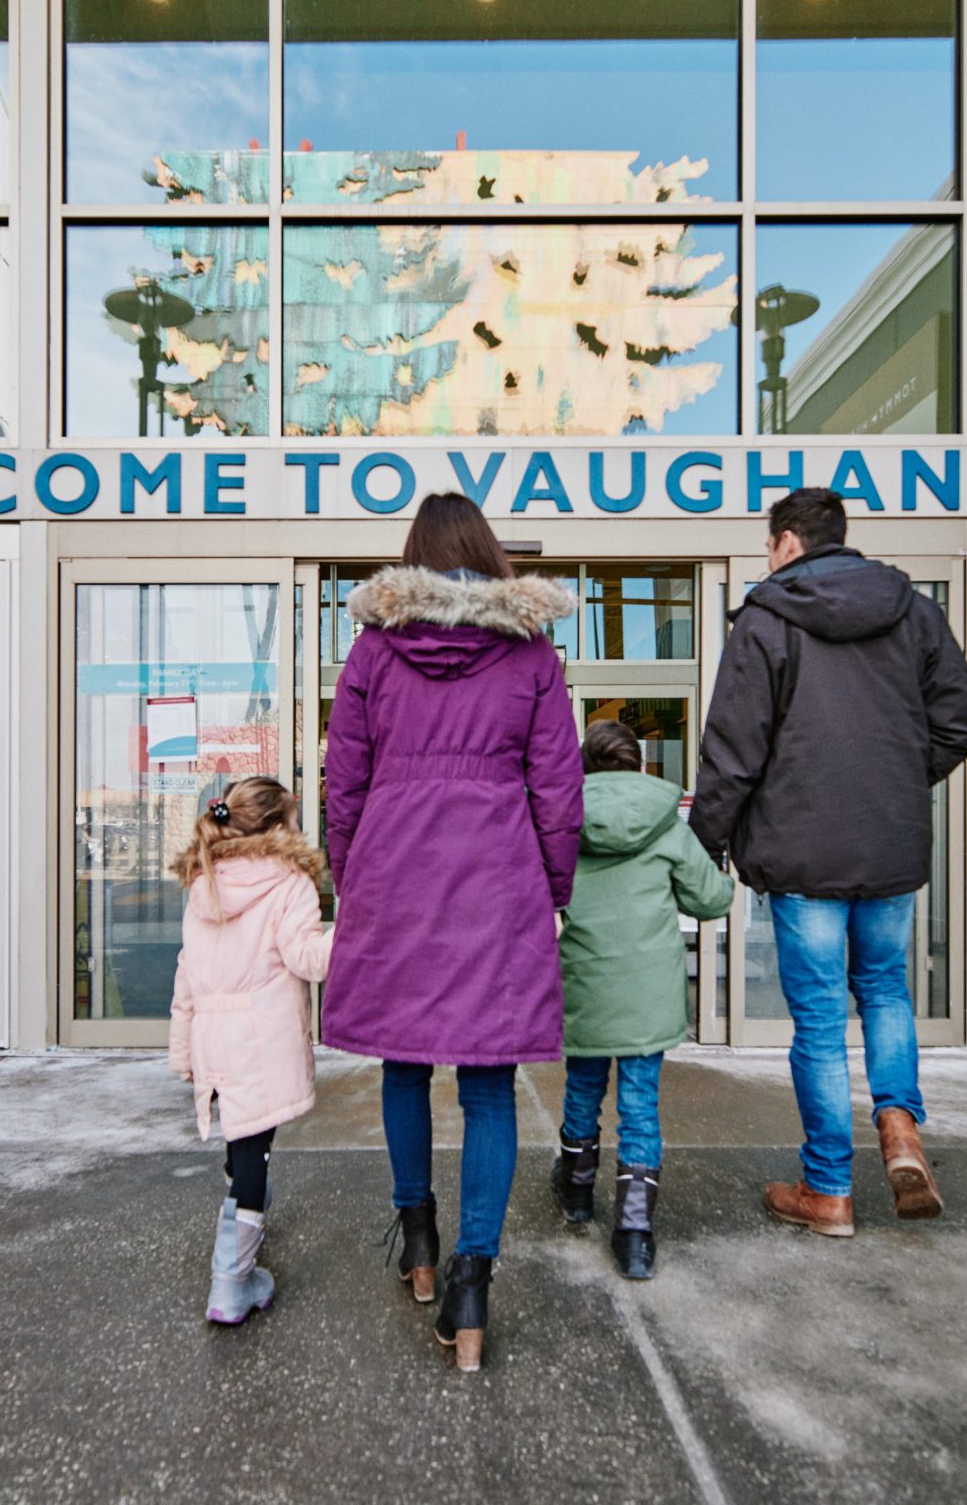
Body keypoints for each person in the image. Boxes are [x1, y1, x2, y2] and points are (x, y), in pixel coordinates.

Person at [322, 492, 582, 1372]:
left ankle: (420, 1245)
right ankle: (473, 1284)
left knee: (402, 1060)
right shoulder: (531, 653)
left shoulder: (371, 649)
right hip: (497, 880)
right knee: (487, 1083)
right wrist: (551, 886)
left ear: (413, 558)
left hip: (394, 875)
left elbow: (343, 780)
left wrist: (352, 878)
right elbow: (557, 785)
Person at [691, 488, 967, 1238]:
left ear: (787, 542)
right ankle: (899, 1131)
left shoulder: (766, 620)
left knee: (820, 1022)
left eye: (768, 545)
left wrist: (708, 845)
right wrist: (892, 782)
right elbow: (960, 721)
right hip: (889, 846)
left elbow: (733, 750)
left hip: (801, 853)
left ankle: (828, 1191)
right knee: (886, 989)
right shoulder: (912, 610)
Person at [552, 718, 733, 1280]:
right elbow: (710, 901)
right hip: (649, 991)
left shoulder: (562, 822)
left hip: (584, 982)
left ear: (584, 763)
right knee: (639, 1105)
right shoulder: (667, 825)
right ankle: (634, 1234)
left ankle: (577, 1193)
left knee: (583, 1088)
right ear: (638, 764)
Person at [166, 776, 336, 1326]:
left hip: (214, 1040)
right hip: (260, 1041)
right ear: (279, 825)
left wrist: (181, 1050)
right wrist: (359, 928)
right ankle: (232, 1282)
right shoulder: (289, 883)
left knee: (241, 1147)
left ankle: (234, 1263)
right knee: (253, 1161)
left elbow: (186, 974)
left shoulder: (205, 882)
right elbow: (309, 959)